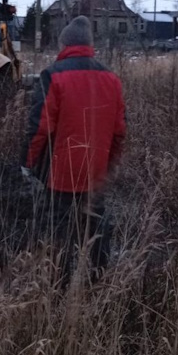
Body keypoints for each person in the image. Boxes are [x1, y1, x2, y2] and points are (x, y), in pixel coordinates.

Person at [22, 15, 127, 277]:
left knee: (59, 230)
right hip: (96, 171)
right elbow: (120, 132)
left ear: (64, 44)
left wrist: (27, 162)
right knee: (95, 228)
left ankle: (58, 285)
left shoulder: (53, 76)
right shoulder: (111, 79)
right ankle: (97, 281)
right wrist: (108, 166)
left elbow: (40, 127)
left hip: (61, 174)